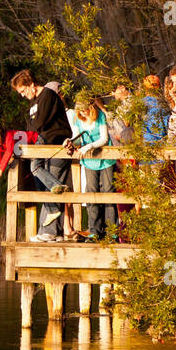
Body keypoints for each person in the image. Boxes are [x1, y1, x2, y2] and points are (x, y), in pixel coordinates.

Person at [11, 70, 72, 241]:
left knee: (47, 179)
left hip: (57, 144)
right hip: (43, 146)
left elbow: (39, 122)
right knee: (46, 185)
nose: (23, 95)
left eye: (23, 91)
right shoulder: (33, 103)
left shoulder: (48, 95)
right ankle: (55, 232)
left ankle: (49, 232)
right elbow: (30, 126)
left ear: (31, 84)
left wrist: (34, 129)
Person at [66, 90, 115, 241]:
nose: (83, 112)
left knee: (108, 192)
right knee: (91, 192)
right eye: (80, 109)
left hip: (105, 159)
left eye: (85, 108)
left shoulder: (100, 117)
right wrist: (69, 142)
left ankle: (111, 231)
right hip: (89, 161)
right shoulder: (78, 119)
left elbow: (104, 139)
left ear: (91, 107)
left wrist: (88, 147)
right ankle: (94, 230)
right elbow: (76, 137)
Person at [0, 120, 36, 192]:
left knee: (36, 171)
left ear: (0, 133)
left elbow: (9, 151)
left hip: (36, 141)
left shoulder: (8, 135)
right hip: (28, 154)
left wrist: (0, 169)